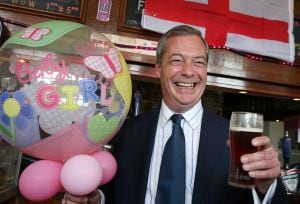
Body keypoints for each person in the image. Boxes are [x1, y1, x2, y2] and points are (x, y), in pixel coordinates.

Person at [63, 25, 289, 204]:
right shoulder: (126, 132)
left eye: (198, 62)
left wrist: (267, 185)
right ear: (158, 68)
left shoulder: (235, 140)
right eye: (177, 60)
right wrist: (96, 200)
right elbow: (112, 194)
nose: (189, 71)